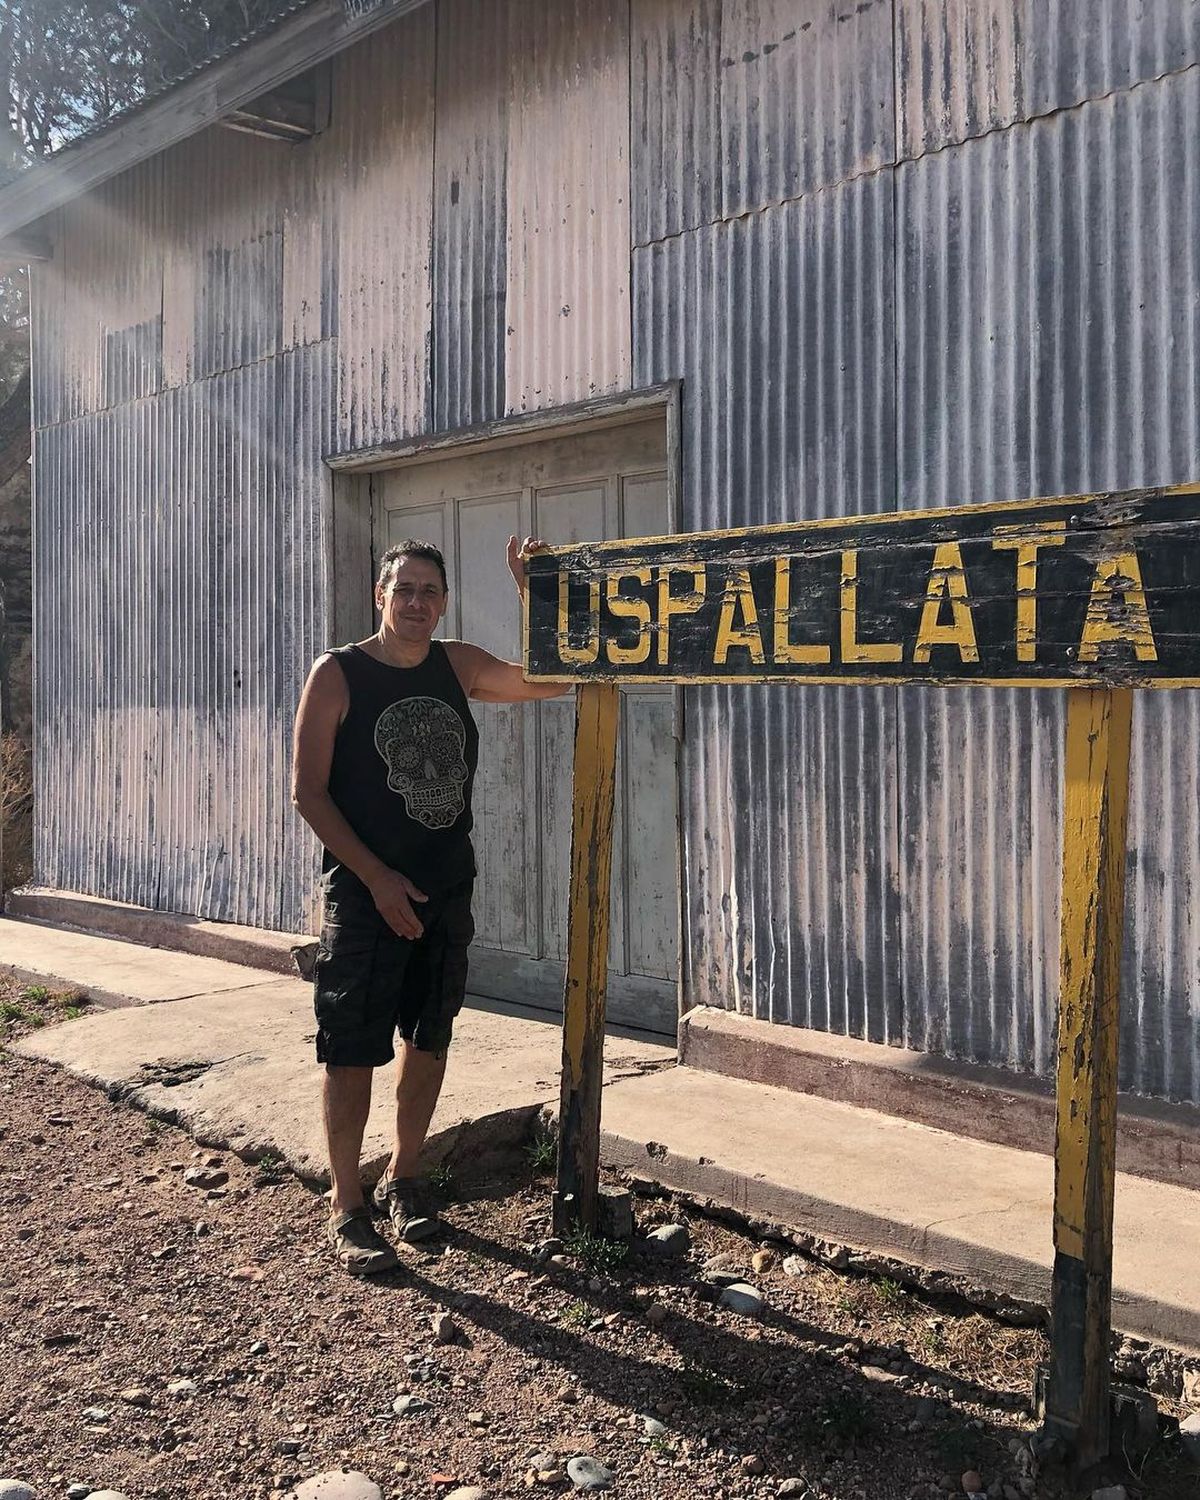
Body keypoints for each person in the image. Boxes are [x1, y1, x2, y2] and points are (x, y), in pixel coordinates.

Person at [291, 535, 567, 1273]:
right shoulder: (339, 674)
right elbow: (308, 793)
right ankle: (347, 1202)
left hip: (446, 887)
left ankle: (405, 1177)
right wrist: (377, 879)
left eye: (430, 592)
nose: (417, 603)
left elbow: (553, 679)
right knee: (350, 1049)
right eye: (404, 589)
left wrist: (534, 588)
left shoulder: (460, 666)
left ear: (443, 602)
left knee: (430, 1037)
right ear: (379, 597)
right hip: (364, 892)